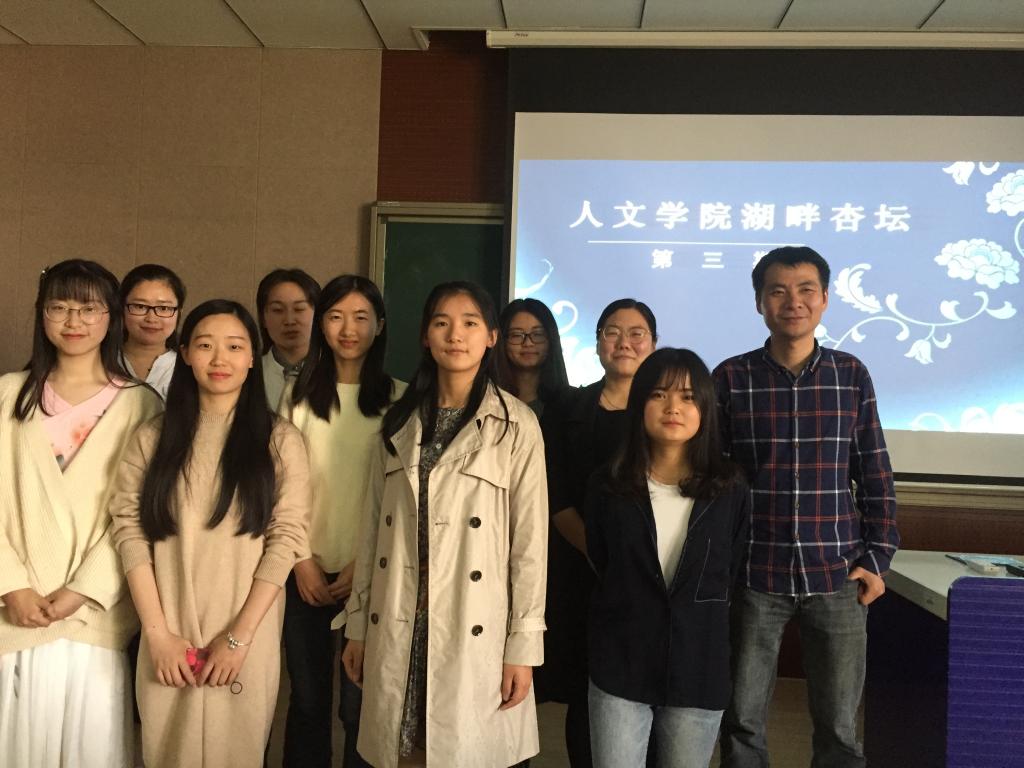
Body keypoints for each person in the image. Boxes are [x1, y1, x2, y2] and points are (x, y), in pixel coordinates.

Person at [341, 281, 547, 768]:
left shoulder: (515, 425)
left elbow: (530, 546)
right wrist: (357, 624)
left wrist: (523, 646)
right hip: (400, 616)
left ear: (491, 337)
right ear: (425, 336)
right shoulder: (397, 424)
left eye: (470, 323)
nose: (456, 335)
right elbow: (373, 535)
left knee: (464, 749)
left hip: (473, 620)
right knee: (404, 750)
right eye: (442, 323)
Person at [714, 246, 899, 768]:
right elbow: (714, 480)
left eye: (805, 290)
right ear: (759, 302)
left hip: (837, 574)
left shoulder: (850, 374)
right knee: (741, 721)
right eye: (777, 291)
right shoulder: (730, 378)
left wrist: (878, 558)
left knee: (839, 727)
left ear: (824, 299)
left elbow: (875, 470)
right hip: (754, 574)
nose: (792, 301)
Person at [109, 300, 310, 768]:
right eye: (205, 345)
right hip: (167, 632)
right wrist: (157, 636)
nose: (220, 359)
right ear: (184, 353)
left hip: (245, 635)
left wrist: (238, 638)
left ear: (252, 357)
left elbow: (286, 539)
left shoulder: (279, 440)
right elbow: (129, 532)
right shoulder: (151, 438)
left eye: (235, 347)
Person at [0, 259, 163, 767]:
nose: (74, 321)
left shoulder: (142, 406)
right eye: (60, 307)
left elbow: (141, 516)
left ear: (111, 317)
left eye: (89, 308)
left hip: (94, 616)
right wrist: (11, 584)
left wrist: (84, 589)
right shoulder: (7, 395)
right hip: (13, 614)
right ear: (42, 314)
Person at [585, 348, 748, 768]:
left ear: (705, 409)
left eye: (688, 397)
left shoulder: (729, 488)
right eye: (659, 394)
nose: (673, 407)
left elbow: (731, 570)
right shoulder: (608, 485)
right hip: (621, 661)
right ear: (639, 404)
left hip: (699, 665)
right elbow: (601, 559)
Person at [281, 275, 404, 768]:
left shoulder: (400, 400)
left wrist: (366, 564)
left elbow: (401, 497)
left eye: (360, 318)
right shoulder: (296, 398)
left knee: (361, 704)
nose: (348, 330)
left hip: (372, 572)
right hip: (302, 571)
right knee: (308, 701)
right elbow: (280, 489)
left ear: (380, 326)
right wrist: (300, 560)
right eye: (335, 317)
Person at [543, 298, 658, 767]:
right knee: (585, 694)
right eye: (612, 332)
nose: (624, 342)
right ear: (596, 344)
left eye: (636, 333)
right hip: (582, 572)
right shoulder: (569, 408)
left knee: (649, 692)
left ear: (654, 344)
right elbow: (555, 495)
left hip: (652, 578)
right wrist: (599, 553)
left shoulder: (669, 411)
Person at [120, 263, 186, 400]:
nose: (151, 318)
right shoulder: (99, 362)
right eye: (140, 306)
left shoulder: (188, 368)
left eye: (163, 308)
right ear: (121, 308)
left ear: (179, 313)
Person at [256, 268, 320, 410]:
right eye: (278, 310)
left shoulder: (337, 373)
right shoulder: (248, 374)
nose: (289, 320)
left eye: (299, 309)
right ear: (263, 318)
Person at [494, 297, 570, 417]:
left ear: (551, 339)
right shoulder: (487, 401)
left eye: (538, 334)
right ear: (502, 341)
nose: (528, 343)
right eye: (516, 335)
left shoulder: (573, 403)